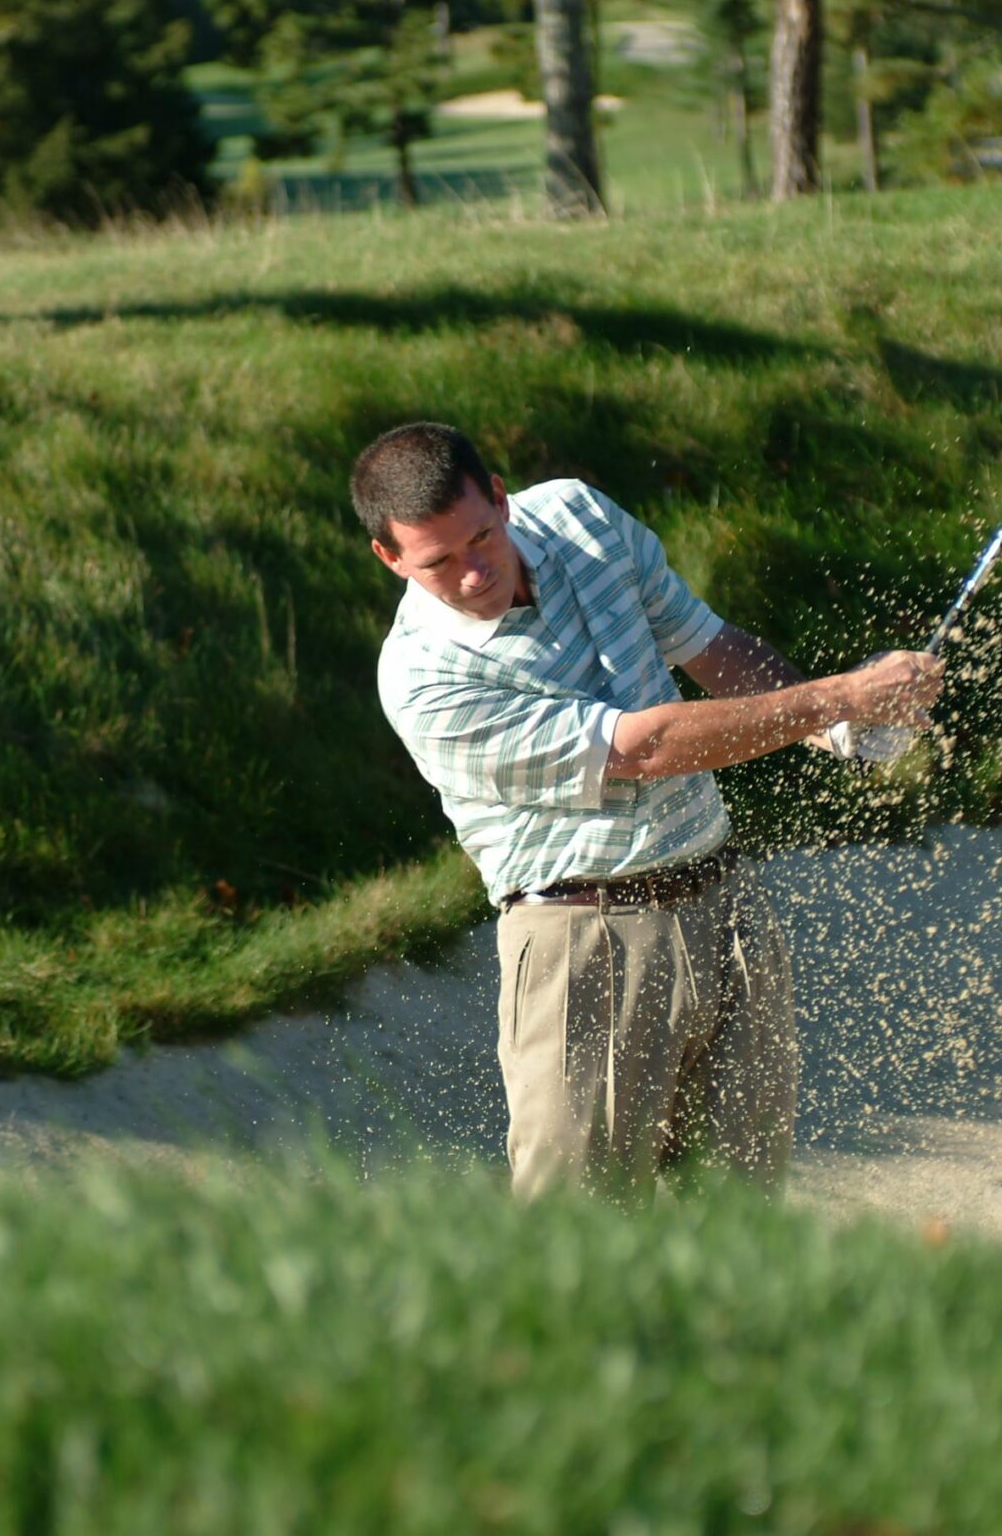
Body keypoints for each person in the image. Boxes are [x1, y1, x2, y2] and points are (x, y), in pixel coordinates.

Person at [352, 422, 943, 1200]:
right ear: (390, 558)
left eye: (481, 538)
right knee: (582, 1239)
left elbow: (708, 645)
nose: (472, 572)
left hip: (726, 910)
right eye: (438, 562)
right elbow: (644, 747)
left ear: (500, 497)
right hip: (584, 946)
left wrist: (841, 727)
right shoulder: (425, 679)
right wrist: (836, 695)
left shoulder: (579, 518)